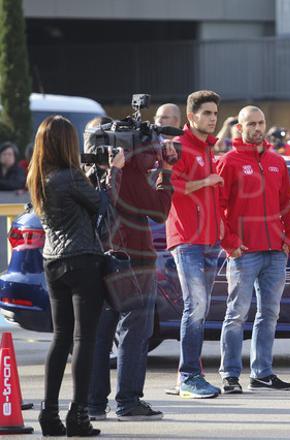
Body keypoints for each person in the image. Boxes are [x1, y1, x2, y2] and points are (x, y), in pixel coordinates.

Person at [27, 115, 124, 436]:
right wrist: (113, 173)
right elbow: (102, 205)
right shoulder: (70, 177)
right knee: (85, 339)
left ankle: (49, 414)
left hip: (52, 262)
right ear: (67, 143)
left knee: (61, 338)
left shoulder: (39, 177)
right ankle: (78, 415)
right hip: (82, 260)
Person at [87, 121, 176, 420]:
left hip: (100, 258)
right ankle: (128, 401)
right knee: (135, 331)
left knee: (101, 333)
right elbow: (160, 209)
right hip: (134, 261)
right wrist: (166, 170)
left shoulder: (93, 174)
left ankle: (94, 403)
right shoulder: (131, 175)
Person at [217, 106, 290, 393]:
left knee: (269, 314)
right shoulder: (229, 161)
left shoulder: (278, 161)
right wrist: (230, 244)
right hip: (244, 252)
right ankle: (229, 375)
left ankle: (262, 373)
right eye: (250, 123)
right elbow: (218, 208)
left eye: (260, 122)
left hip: (276, 251)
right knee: (236, 314)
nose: (257, 128)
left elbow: (288, 204)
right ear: (239, 128)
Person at [166, 90, 224, 398]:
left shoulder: (208, 148)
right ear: (192, 117)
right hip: (187, 239)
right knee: (195, 306)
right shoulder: (179, 146)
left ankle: (187, 376)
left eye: (215, 113)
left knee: (200, 309)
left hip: (209, 239)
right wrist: (206, 182)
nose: (212, 118)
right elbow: (170, 186)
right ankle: (190, 376)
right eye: (207, 113)